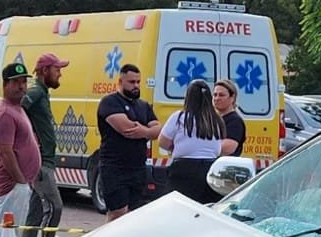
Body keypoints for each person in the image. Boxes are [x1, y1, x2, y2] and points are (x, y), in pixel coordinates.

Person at [0, 61, 40, 237]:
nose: (21, 86)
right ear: (5, 84)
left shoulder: (17, 109)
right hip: (12, 185)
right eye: (15, 83)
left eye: (23, 82)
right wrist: (20, 180)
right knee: (5, 234)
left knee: (11, 234)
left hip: (21, 184)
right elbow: (6, 151)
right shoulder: (5, 114)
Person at [95, 63, 161, 222]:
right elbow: (126, 129)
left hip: (137, 167)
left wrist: (144, 131)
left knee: (133, 214)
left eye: (138, 82)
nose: (136, 86)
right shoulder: (110, 102)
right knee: (118, 212)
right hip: (114, 167)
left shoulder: (143, 106)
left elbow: (158, 129)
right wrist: (147, 131)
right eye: (131, 82)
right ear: (120, 82)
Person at [20, 52, 68, 237]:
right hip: (40, 163)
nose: (60, 75)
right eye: (57, 70)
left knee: (36, 211)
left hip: (44, 161)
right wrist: (29, 141)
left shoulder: (42, 92)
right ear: (45, 70)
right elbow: (18, 110)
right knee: (55, 207)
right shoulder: (36, 92)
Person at [158, 79, 231, 205]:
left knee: (178, 207)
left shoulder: (180, 117)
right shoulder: (216, 120)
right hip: (210, 169)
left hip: (184, 169)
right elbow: (218, 146)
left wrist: (174, 147)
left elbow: (162, 141)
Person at [212, 79, 246, 155]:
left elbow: (227, 148)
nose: (217, 98)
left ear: (232, 98)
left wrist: (202, 145)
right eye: (215, 95)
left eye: (221, 95)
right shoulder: (213, 119)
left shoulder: (235, 121)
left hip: (225, 166)